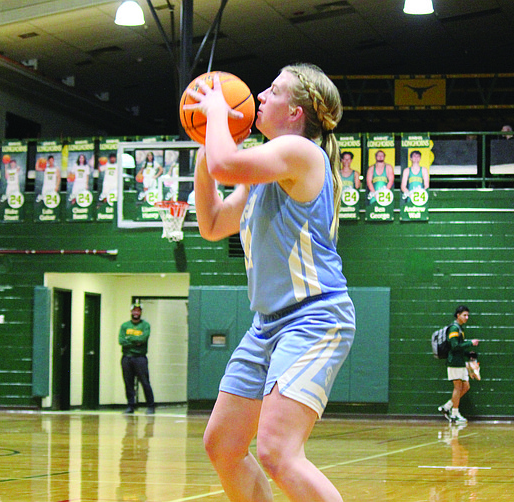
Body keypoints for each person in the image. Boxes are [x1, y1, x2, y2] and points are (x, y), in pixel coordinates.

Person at [186, 63, 355, 502]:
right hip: (267, 326)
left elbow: (228, 163)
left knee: (278, 452)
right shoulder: (263, 175)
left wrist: (217, 113)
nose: (260, 95)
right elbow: (212, 222)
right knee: (222, 445)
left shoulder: (302, 154)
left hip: (315, 316)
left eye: (273, 91)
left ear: (296, 113)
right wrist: (206, 151)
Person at [438, 305, 479, 424]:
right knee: (457, 387)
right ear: (458, 315)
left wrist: (467, 353)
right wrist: (470, 343)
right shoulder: (454, 329)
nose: (467, 317)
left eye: (468, 315)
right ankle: (454, 414)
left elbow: (459, 348)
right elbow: (454, 346)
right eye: (464, 315)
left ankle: (447, 407)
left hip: (460, 362)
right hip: (454, 362)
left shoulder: (460, 329)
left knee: (466, 386)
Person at [118, 303, 155, 414]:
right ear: (131, 312)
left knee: (144, 382)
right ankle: (130, 406)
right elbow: (121, 341)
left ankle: (150, 406)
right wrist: (136, 340)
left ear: (141, 312)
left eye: (138, 311)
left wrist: (129, 339)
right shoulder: (125, 326)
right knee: (128, 382)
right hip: (126, 358)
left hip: (140, 358)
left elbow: (143, 339)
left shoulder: (145, 325)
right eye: (134, 311)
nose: (136, 313)